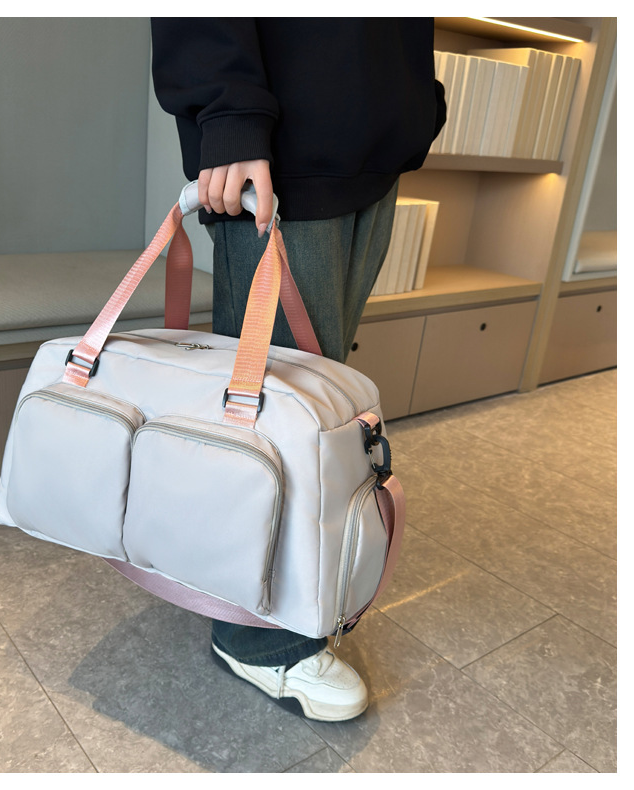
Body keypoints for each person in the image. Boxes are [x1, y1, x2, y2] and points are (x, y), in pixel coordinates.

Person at [150, 17, 445, 722]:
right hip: (280, 150)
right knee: (274, 419)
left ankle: (283, 596)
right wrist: (227, 112)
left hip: (371, 142)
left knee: (312, 409)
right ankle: (257, 641)